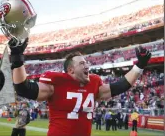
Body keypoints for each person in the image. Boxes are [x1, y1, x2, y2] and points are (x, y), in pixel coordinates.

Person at [9, 38, 151, 136]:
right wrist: (17, 58)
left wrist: (139, 66)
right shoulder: (56, 83)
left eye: (86, 63)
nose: (87, 66)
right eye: (82, 64)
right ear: (70, 70)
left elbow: (120, 86)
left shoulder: (93, 83)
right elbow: (23, 88)